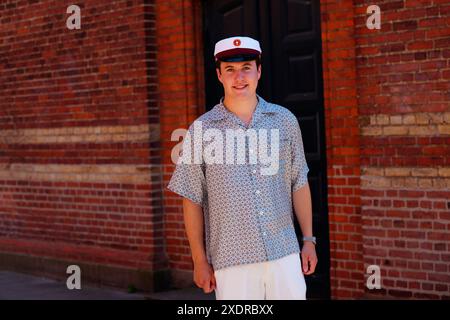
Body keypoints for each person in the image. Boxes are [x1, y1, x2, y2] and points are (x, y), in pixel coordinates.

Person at [167, 36, 317, 300]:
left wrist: (308, 240)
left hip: (284, 253)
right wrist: (199, 260)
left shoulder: (285, 121)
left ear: (259, 71)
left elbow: (299, 182)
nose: (239, 77)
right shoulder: (201, 130)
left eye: (246, 67)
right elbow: (191, 198)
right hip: (232, 261)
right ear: (219, 75)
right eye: (230, 69)